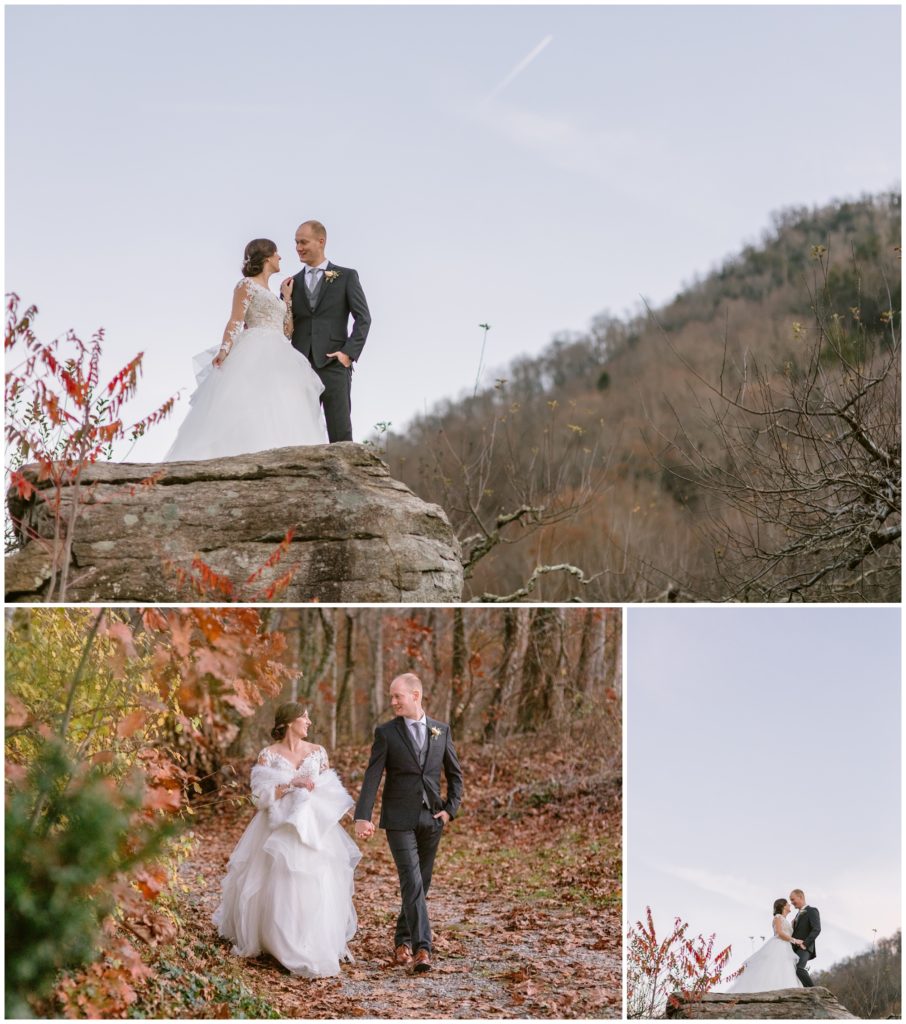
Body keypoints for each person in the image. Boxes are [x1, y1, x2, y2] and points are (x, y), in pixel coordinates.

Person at [213, 702, 360, 977]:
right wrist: (293, 785)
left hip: (313, 830)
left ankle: (312, 941)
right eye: (305, 717)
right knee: (279, 883)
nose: (309, 722)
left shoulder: (318, 753)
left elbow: (331, 790)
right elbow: (258, 797)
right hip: (276, 830)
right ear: (290, 721)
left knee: (315, 883)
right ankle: (279, 943)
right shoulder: (268, 755)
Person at [166, 239, 326, 461]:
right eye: (277, 253)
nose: (281, 257)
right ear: (268, 257)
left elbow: (287, 331)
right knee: (251, 402)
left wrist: (287, 299)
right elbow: (235, 321)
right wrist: (224, 350)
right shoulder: (246, 285)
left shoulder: (274, 293)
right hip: (255, 349)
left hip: (280, 352)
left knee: (284, 404)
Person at [353, 673, 463, 974]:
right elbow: (372, 775)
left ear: (416, 695)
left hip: (432, 818)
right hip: (398, 819)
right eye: (391, 696)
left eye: (397, 696)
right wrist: (363, 815)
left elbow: (455, 774)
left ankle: (401, 939)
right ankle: (422, 948)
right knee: (411, 881)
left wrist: (450, 810)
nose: (392, 702)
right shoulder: (386, 733)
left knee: (421, 883)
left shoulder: (441, 730)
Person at [283, 220, 371, 443]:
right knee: (300, 435)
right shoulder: (290, 283)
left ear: (321, 241)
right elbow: (285, 325)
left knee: (340, 435)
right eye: (296, 243)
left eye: (303, 242)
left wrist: (347, 354)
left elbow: (363, 318)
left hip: (334, 365)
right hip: (300, 367)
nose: (298, 248)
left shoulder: (347, 276)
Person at [727, 898, 803, 993]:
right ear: (783, 906)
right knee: (776, 967)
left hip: (786, 947)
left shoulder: (785, 920)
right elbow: (779, 933)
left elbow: (787, 932)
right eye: (788, 904)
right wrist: (795, 940)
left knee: (785, 969)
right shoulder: (778, 917)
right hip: (778, 946)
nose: (790, 905)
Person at [789, 888, 821, 987]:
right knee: (793, 972)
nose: (792, 902)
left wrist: (805, 944)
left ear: (801, 897)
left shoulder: (812, 910)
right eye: (791, 900)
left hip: (805, 947)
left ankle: (814, 992)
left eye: (793, 899)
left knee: (799, 969)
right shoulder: (797, 915)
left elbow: (817, 929)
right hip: (795, 949)